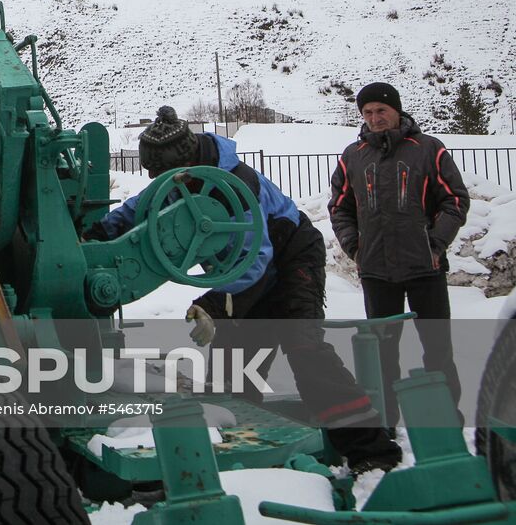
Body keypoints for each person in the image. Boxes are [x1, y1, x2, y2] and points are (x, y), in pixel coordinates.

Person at [88, 106, 400, 473]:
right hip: (246, 273)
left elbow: (257, 258)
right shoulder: (178, 181)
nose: (159, 181)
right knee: (233, 368)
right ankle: (243, 457)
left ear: (187, 162)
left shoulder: (236, 182)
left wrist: (214, 303)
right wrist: (95, 235)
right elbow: (137, 210)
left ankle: (372, 451)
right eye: (154, 175)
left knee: (306, 350)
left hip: (291, 259)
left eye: (165, 173)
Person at [329, 82, 468, 424]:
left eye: (381, 110)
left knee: (437, 351)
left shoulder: (429, 149)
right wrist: (355, 248)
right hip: (376, 271)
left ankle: (446, 422)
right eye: (367, 112)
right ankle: (385, 424)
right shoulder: (352, 156)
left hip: (425, 268)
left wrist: (434, 245)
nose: (375, 118)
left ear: (397, 110)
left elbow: (455, 200)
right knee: (381, 354)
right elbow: (339, 207)